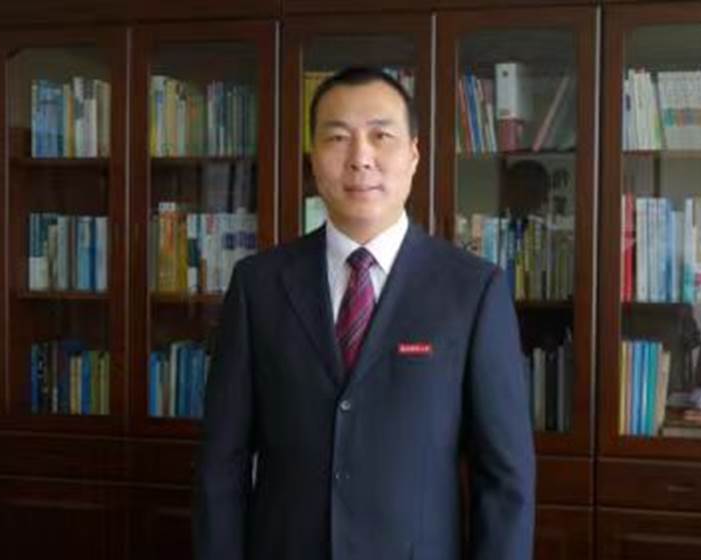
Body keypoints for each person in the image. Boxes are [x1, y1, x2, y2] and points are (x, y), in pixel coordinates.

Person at [194, 66, 535, 560]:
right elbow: (221, 465)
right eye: (337, 138)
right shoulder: (258, 285)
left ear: (413, 154)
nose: (360, 158)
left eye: (381, 136)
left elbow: (505, 480)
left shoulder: (473, 291)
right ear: (314, 158)